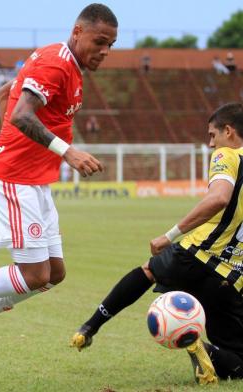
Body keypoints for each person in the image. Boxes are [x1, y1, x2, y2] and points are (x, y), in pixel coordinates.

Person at [0, 3, 118, 367]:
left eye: (111, 45)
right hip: (9, 178)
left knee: (54, 274)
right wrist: (67, 152)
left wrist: (9, 139)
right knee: (34, 273)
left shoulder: (68, 65)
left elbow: (4, 91)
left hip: (32, 179)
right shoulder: (56, 63)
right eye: (100, 41)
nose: (105, 51)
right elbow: (21, 112)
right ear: (77, 32)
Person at [71, 102, 243, 385]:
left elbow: (219, 198)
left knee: (148, 270)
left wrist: (170, 234)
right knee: (238, 362)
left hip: (197, 253)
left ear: (228, 131)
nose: (210, 143)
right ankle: (205, 350)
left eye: (213, 135)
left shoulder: (227, 154)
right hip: (229, 277)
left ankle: (90, 326)